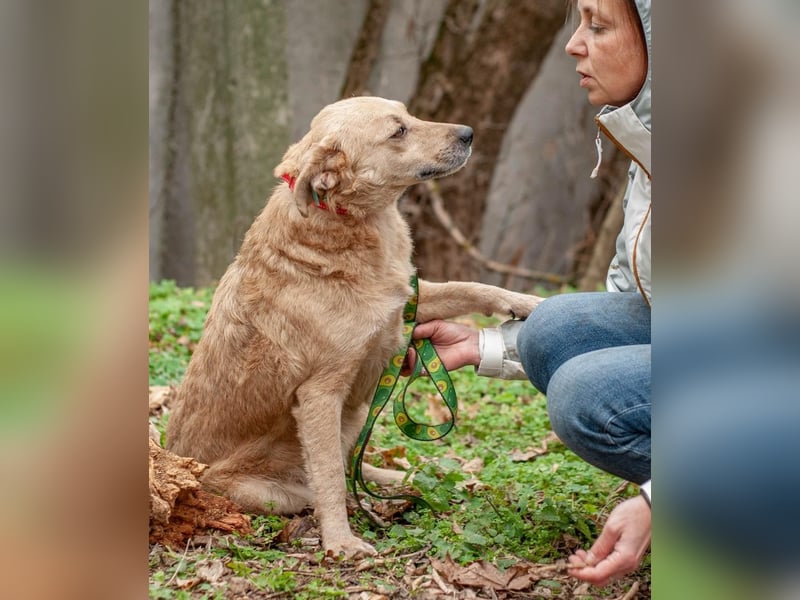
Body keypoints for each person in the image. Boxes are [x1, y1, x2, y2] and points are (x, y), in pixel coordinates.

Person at [412, 0, 651, 587]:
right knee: (555, 329)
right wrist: (485, 345)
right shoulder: (651, 134)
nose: (574, 45)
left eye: (597, 26)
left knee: (585, 395)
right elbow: (633, 301)